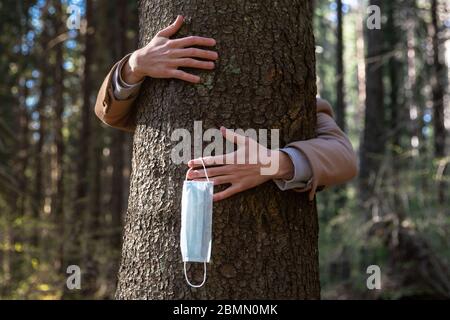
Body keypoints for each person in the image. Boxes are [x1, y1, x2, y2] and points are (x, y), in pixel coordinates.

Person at [94, 16, 357, 202]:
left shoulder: (296, 99)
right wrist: (135, 65)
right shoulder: (154, 84)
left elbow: (344, 158)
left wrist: (272, 164)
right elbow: (110, 113)